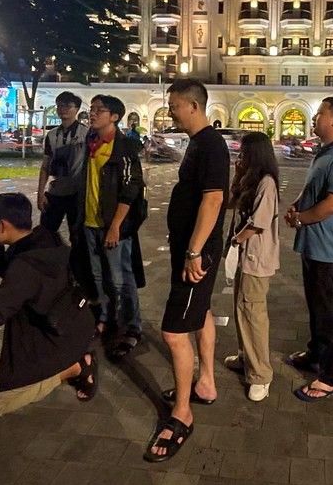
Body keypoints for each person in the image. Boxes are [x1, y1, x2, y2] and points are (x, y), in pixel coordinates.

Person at [146, 79, 229, 463]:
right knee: (202, 312)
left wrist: (194, 251)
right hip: (193, 249)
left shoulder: (210, 145)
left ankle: (182, 412)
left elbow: (213, 200)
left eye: (175, 105)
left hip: (197, 253)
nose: (171, 111)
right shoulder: (200, 142)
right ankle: (206, 383)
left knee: (174, 331)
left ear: (193, 106)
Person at [0, 193, 97, 418]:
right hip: (73, 328)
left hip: (54, 342)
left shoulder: (26, 265)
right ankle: (74, 359)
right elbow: (15, 275)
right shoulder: (46, 240)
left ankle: (74, 368)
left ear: (3, 225)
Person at [285, 98, 333, 402]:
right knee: (317, 307)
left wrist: (301, 218)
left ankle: (329, 377)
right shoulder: (325, 152)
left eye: (319, 114)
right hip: (314, 245)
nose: (315, 118)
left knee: (329, 314)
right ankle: (315, 353)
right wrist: (297, 205)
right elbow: (313, 189)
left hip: (330, 249)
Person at [73, 94, 147, 358]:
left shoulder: (123, 146)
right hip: (89, 222)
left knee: (120, 279)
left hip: (113, 226)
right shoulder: (90, 142)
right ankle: (105, 317)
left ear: (114, 116)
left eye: (99, 110)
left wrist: (116, 225)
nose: (92, 114)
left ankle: (131, 327)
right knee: (97, 276)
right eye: (92, 109)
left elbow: (131, 188)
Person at [223, 132, 280, 402]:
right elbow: (229, 203)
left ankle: (261, 375)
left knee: (253, 313)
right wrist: (236, 176)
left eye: (244, 153)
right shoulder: (250, 179)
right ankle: (246, 356)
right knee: (242, 308)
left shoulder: (267, 183)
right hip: (245, 257)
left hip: (256, 258)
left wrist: (236, 240)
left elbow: (259, 223)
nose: (240, 157)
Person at [37, 91, 87, 233]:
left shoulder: (86, 134)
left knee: (77, 235)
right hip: (55, 190)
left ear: (77, 109)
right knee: (46, 233)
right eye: (59, 105)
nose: (62, 109)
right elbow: (45, 166)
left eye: (67, 106)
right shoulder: (52, 135)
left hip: (77, 193)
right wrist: (40, 193)